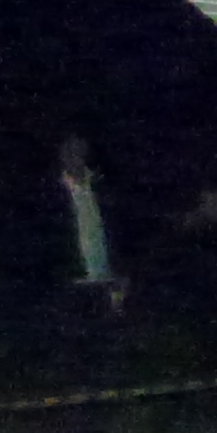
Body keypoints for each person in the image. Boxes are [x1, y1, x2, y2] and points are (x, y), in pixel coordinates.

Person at [56, 134, 126, 318]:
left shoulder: (99, 183)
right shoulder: (57, 191)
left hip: (105, 272)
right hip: (75, 279)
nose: (77, 158)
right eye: (71, 153)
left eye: (81, 153)